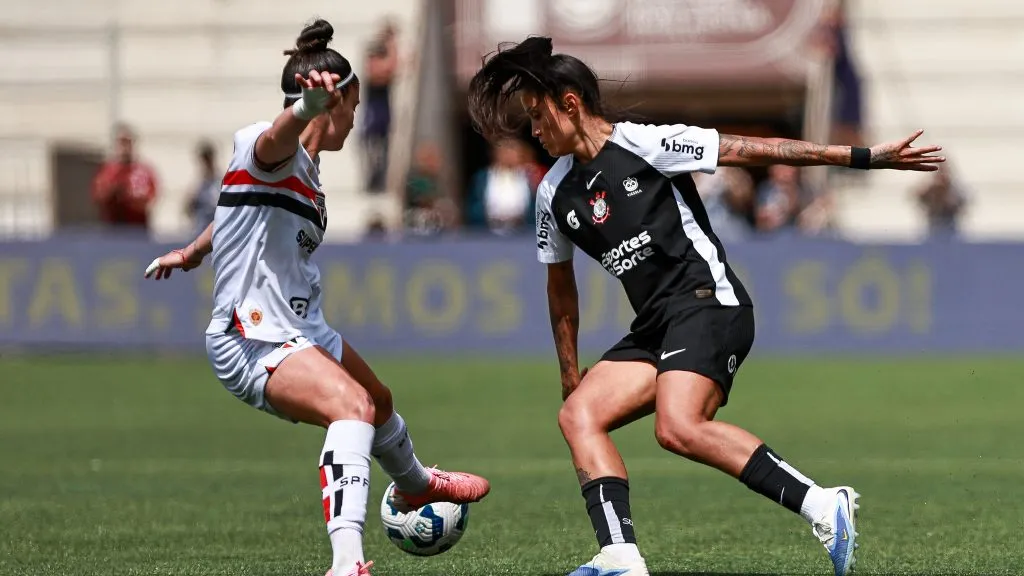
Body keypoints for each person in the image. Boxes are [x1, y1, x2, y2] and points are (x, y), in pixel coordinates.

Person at [467, 37, 944, 576]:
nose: (534, 131)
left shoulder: (649, 144)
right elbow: (560, 286)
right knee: (578, 414)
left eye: (537, 116)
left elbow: (753, 149)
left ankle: (822, 504)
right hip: (655, 324)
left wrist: (862, 158)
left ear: (570, 103)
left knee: (677, 425)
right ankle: (620, 558)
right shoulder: (553, 193)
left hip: (709, 301)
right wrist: (569, 372)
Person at [142, 20, 490, 576]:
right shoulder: (267, 143)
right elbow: (271, 142)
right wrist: (305, 109)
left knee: (376, 398)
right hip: (250, 335)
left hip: (297, 325)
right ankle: (346, 563)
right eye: (354, 103)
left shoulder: (305, 169)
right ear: (342, 100)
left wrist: (194, 250)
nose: (355, 116)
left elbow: (239, 208)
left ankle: (419, 485)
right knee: (349, 409)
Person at [91, 123, 159, 233]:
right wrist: (113, 191)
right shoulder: (107, 170)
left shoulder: (144, 171)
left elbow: (150, 199)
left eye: (127, 142)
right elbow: (98, 197)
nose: (125, 146)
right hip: (112, 230)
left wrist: (129, 196)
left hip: (137, 230)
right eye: (121, 142)